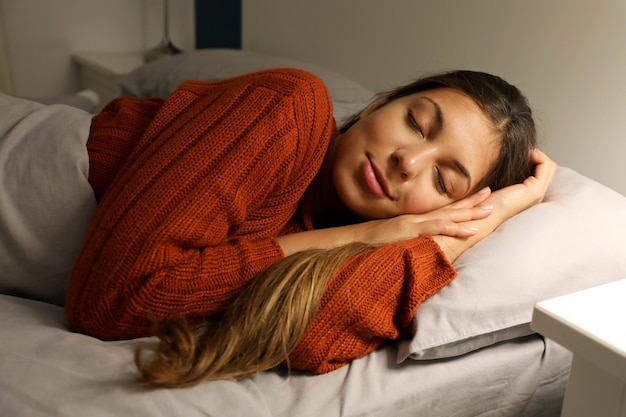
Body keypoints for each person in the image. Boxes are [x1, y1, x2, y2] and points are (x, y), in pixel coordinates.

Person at [65, 67, 556, 388]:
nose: (408, 160)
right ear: (374, 106)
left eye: (442, 179)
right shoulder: (288, 110)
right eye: (415, 122)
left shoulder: (335, 233)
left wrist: (493, 213)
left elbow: (314, 336)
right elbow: (111, 301)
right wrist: (367, 234)